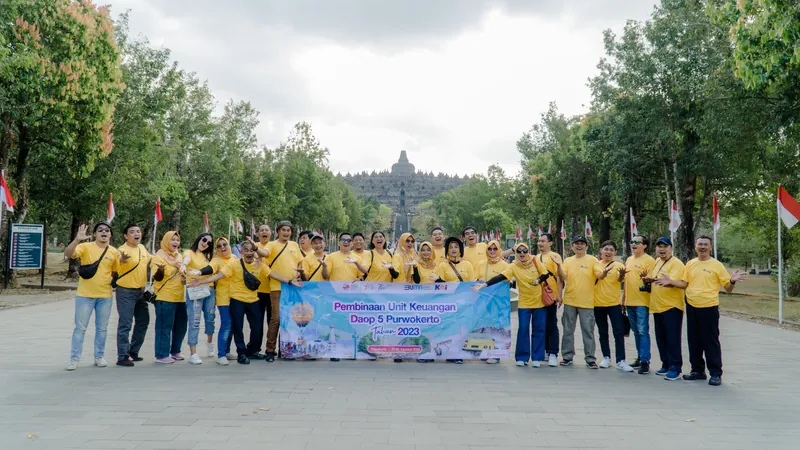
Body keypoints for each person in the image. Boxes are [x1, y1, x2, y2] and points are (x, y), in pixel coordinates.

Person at [191, 240, 302, 364]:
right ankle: (241, 353)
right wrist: (201, 281)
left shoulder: (259, 265)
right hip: (237, 300)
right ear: (242, 252)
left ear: (254, 252)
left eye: (251, 250)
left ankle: (251, 351)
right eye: (246, 250)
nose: (249, 253)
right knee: (238, 328)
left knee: (257, 327)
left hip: (253, 300)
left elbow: (273, 274)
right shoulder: (234, 264)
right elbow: (219, 275)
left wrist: (290, 281)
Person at [680, 236, 746, 386]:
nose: (702, 247)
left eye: (705, 244)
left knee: (710, 341)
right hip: (691, 306)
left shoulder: (716, 265)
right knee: (694, 341)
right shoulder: (690, 264)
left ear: (710, 247)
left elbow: (728, 288)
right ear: (695, 246)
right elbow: (684, 283)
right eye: (700, 244)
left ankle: (715, 373)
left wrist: (732, 281)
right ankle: (697, 370)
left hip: (709, 307)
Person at [473, 242, 550, 367]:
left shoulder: (535, 260)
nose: (522, 253)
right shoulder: (514, 266)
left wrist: (538, 280)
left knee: (539, 329)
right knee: (523, 328)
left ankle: (536, 357)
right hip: (524, 302)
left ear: (528, 251)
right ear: (516, 253)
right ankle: (522, 357)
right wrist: (484, 284)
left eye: (524, 251)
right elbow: (500, 276)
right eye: (519, 251)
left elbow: (545, 274)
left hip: (539, 301)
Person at [64, 222, 120, 371]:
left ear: (110, 234)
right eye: (100, 230)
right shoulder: (85, 247)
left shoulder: (114, 252)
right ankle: (74, 359)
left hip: (105, 296)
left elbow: (115, 271)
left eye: (107, 230)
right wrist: (77, 239)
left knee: (102, 329)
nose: (104, 232)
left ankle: (99, 356)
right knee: (80, 329)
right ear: (95, 234)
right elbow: (68, 254)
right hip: (85, 295)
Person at [642, 236, 686, 381]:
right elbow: (655, 279)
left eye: (665, 246)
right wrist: (647, 280)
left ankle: (675, 367)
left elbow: (682, 282)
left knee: (672, 338)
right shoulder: (657, 262)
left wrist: (670, 282)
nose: (662, 249)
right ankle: (665, 363)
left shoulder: (676, 263)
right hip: (657, 306)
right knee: (661, 338)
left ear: (671, 248)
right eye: (659, 246)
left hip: (671, 306)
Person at [321, 232, 368, 362]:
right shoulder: (331, 257)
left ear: (352, 243)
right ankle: (334, 352)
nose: (346, 242)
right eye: (343, 240)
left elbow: (362, 275)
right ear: (339, 242)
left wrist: (360, 279)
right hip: (335, 296)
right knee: (336, 323)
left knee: (351, 324)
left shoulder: (356, 258)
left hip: (351, 297)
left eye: (348, 240)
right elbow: (325, 276)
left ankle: (350, 351)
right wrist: (324, 266)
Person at [554, 236, 599, 368]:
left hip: (587, 302)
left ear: (586, 246)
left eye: (582, 244)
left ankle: (590, 358)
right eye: (576, 243)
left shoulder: (592, 260)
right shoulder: (568, 261)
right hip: (570, 301)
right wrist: (558, 266)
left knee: (588, 331)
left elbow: (599, 275)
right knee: (568, 330)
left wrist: (606, 273)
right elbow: (562, 277)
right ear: (572, 246)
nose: (579, 246)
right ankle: (567, 356)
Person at [263, 221, 303, 362]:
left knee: (290, 319)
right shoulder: (272, 245)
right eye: (283, 230)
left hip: (292, 287)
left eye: (288, 230)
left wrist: (298, 273)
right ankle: (270, 350)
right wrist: (256, 249)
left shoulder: (294, 245)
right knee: (276, 319)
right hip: (277, 287)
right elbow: (264, 253)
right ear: (278, 231)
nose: (286, 232)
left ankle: (285, 349)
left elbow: (299, 261)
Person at [114, 224, 152, 367]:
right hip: (125, 291)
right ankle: (122, 356)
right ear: (125, 236)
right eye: (132, 232)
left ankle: (133, 351)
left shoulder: (142, 248)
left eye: (138, 231)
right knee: (125, 323)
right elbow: (120, 261)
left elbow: (152, 259)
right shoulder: (121, 250)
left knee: (143, 320)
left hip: (140, 291)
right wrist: (123, 259)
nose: (136, 234)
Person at [593, 240, 633, 372]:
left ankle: (621, 360)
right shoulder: (596, 264)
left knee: (618, 332)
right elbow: (600, 276)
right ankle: (606, 357)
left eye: (611, 250)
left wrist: (621, 275)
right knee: (603, 332)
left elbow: (620, 280)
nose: (608, 252)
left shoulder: (619, 265)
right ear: (601, 250)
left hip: (614, 304)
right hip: (598, 304)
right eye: (606, 249)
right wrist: (605, 272)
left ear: (615, 252)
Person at [434, 237, 476, 364]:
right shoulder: (442, 265)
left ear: (460, 249)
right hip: (448, 302)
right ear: (447, 250)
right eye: (451, 247)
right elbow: (439, 285)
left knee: (461, 328)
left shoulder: (467, 265)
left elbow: (472, 283)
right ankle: (447, 352)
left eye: (456, 247)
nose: (453, 249)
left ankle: (458, 353)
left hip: (463, 302)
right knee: (449, 327)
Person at [151, 231, 188, 364]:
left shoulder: (180, 257)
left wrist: (184, 276)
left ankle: (175, 350)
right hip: (165, 297)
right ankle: (161, 354)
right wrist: (160, 270)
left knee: (181, 326)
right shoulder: (158, 257)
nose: (175, 242)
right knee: (164, 327)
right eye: (172, 240)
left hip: (180, 297)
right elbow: (157, 278)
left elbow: (183, 277)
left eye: (177, 240)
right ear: (166, 241)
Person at [622, 235, 655, 375]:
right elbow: (626, 281)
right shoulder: (629, 259)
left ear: (645, 245)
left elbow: (651, 281)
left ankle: (645, 361)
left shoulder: (649, 260)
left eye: (637, 242)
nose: (633, 244)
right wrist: (623, 299)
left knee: (643, 331)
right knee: (636, 331)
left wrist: (645, 279)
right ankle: (640, 357)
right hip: (629, 301)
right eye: (632, 241)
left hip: (642, 301)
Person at [182, 233, 216, 365]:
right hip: (195, 289)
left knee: (210, 318)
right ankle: (193, 352)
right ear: (199, 239)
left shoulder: (209, 257)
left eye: (209, 243)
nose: (205, 243)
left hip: (209, 289)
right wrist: (183, 265)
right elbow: (186, 259)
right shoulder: (189, 252)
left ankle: (210, 342)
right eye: (204, 240)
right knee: (194, 320)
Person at [537, 233, 563, 367]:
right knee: (541, 324)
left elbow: (559, 277)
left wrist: (559, 295)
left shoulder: (555, 256)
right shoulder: (536, 257)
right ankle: (544, 350)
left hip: (550, 294)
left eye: (543, 241)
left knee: (552, 324)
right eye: (539, 241)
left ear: (550, 243)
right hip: (537, 296)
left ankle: (553, 352)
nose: (540, 243)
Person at [210, 237, 237, 365]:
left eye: (224, 244)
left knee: (232, 325)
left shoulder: (235, 258)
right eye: (219, 246)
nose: (222, 247)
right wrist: (199, 272)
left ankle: (226, 351)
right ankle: (221, 354)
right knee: (226, 324)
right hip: (223, 297)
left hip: (236, 297)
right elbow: (210, 268)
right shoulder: (216, 260)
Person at [252, 224, 273, 360]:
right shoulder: (253, 247)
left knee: (273, 322)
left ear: (271, 233)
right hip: (257, 291)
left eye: (267, 230)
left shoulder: (274, 246)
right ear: (257, 233)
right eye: (262, 230)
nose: (264, 232)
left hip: (273, 290)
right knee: (257, 322)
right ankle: (255, 349)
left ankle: (271, 348)